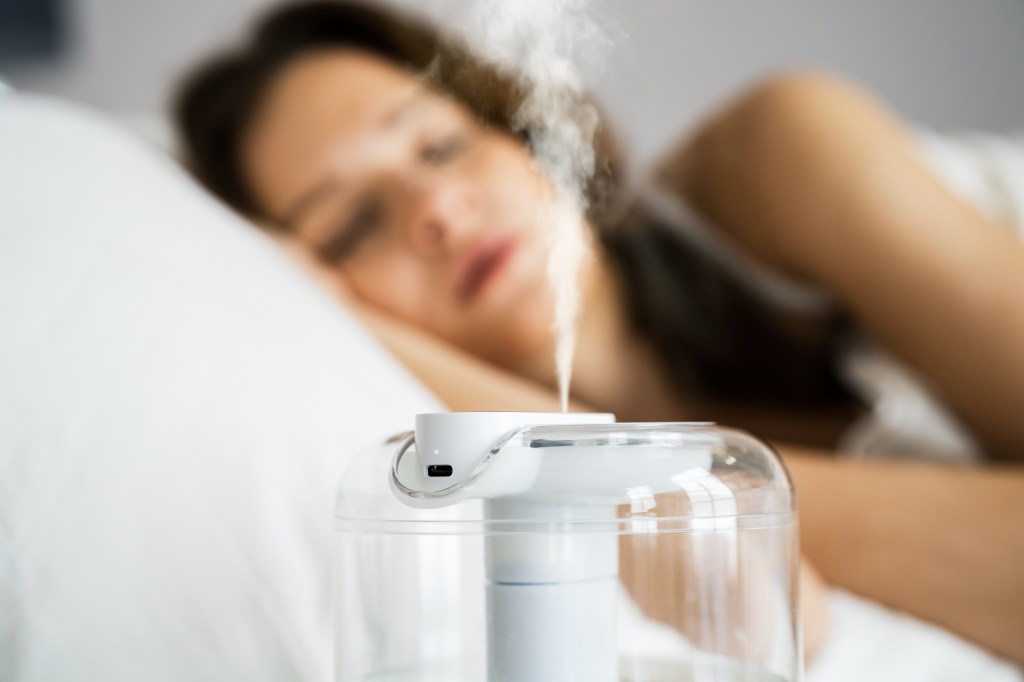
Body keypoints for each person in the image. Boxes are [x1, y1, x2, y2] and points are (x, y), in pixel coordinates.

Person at [175, 1, 1024, 664]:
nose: (433, 211)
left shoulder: (778, 152)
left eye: (437, 147)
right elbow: (772, 603)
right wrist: (354, 328)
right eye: (353, 226)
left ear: (525, 135)